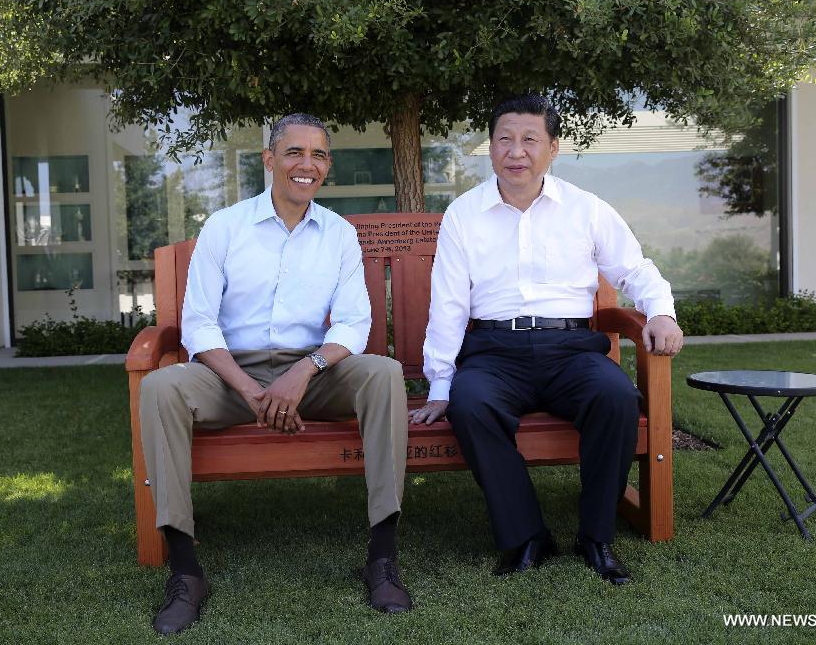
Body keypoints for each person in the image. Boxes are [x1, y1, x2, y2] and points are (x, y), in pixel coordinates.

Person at [139, 113, 412, 635]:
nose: (305, 165)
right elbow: (198, 323)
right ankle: (186, 570)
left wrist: (302, 373)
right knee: (160, 387)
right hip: (228, 376)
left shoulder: (337, 234)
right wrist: (250, 387)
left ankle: (381, 557)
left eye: (318, 155)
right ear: (269, 160)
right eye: (293, 153)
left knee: (383, 374)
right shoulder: (225, 226)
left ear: (327, 166)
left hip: (308, 376)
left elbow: (355, 322)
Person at [409, 94, 683, 585]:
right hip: (495, 354)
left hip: (571, 352)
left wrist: (660, 313)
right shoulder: (464, 214)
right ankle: (527, 535)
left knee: (616, 396)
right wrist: (440, 385)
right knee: (470, 406)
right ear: (490, 148)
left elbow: (636, 269)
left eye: (530, 140)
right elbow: (448, 304)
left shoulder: (586, 209)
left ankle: (596, 536)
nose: (517, 151)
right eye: (505, 139)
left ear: (553, 148)